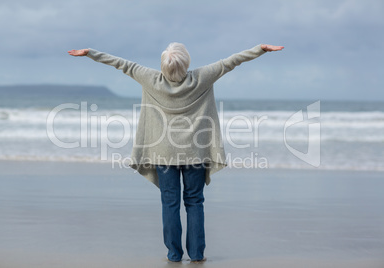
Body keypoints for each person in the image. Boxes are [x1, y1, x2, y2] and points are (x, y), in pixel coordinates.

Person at [68, 43, 283, 262]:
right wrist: (260, 49)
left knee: (170, 203)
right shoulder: (203, 77)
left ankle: (173, 254)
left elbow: (121, 64)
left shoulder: (150, 78)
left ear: (163, 66)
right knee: (194, 201)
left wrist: (90, 54)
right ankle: (197, 254)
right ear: (186, 62)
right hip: (195, 154)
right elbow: (233, 61)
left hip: (164, 154)